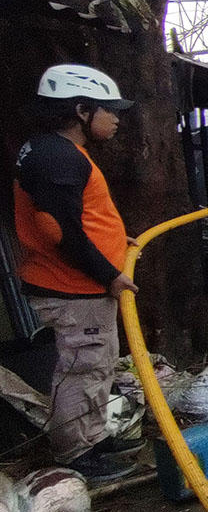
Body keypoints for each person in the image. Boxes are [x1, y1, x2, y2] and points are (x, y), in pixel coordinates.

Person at [13, 64, 142, 483]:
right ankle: (76, 454)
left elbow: (80, 217)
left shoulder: (55, 151)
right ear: (82, 110)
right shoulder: (57, 157)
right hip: (74, 287)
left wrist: (117, 240)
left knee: (97, 365)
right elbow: (60, 231)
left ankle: (92, 437)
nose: (116, 119)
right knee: (83, 368)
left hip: (80, 285)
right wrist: (110, 274)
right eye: (109, 110)